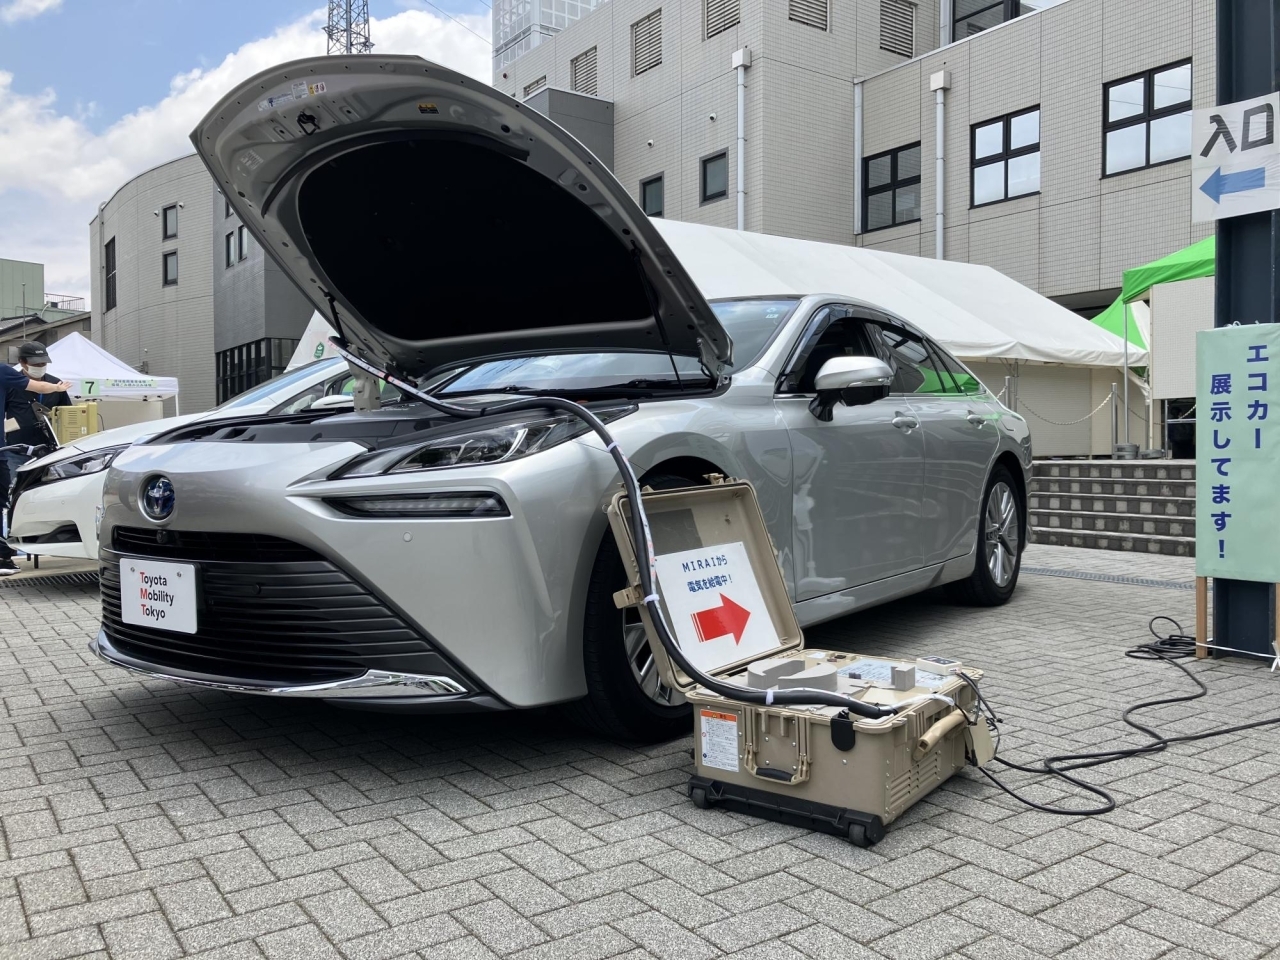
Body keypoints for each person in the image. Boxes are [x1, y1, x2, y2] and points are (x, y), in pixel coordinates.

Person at [0, 345, 72, 575]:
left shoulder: (55, 383)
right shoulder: (10, 379)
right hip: (16, 450)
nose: (40, 367)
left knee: (47, 496)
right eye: (35, 364)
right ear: (22, 362)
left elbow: (68, 413)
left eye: (43, 363)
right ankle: (10, 548)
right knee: (12, 498)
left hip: (50, 451)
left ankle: (45, 541)